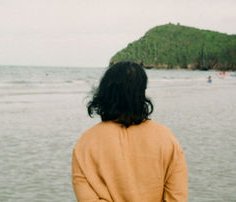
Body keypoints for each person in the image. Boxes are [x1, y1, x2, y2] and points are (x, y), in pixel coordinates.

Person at [72, 61, 188, 201]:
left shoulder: (86, 143)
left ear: (105, 92)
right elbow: (177, 197)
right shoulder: (166, 138)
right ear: (141, 93)